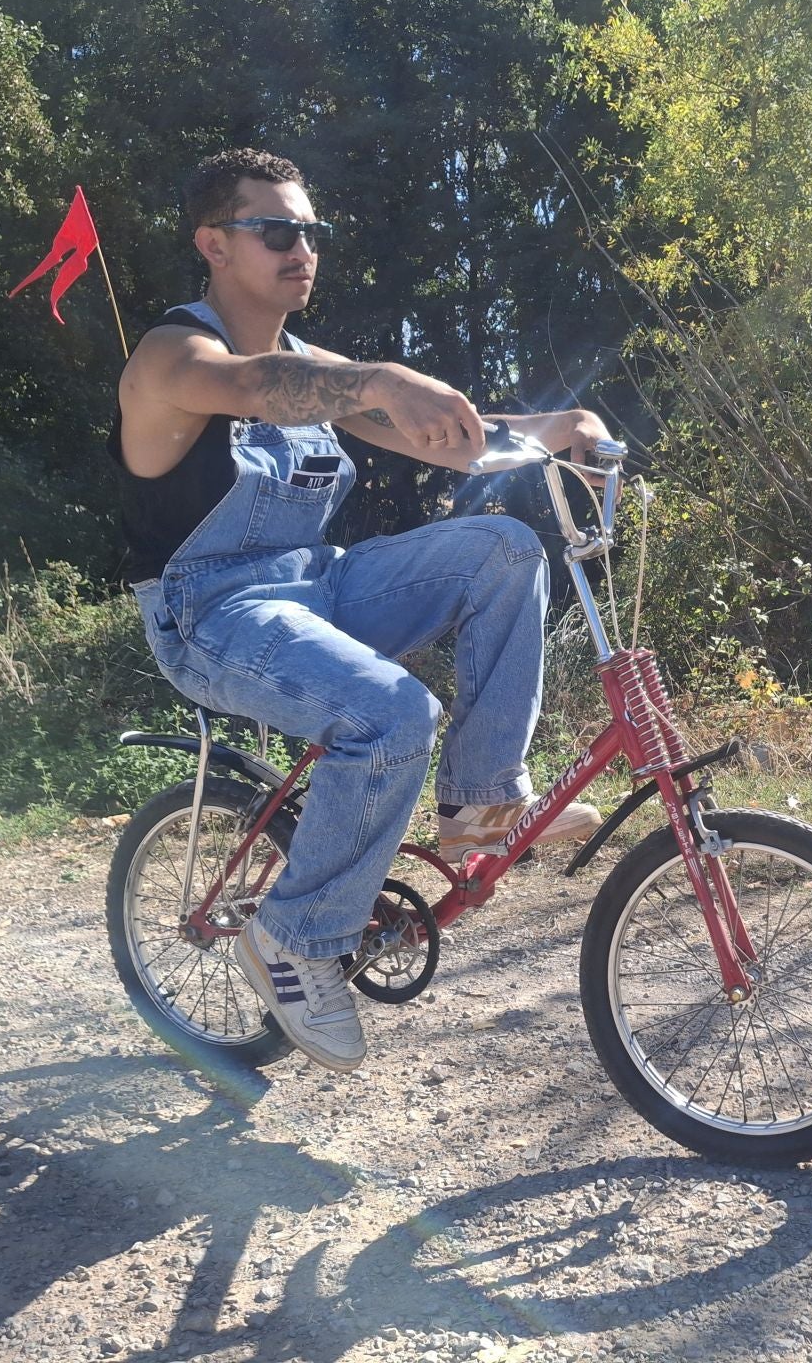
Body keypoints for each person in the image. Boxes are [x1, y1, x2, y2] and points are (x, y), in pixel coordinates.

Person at [114, 148, 607, 1072]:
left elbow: (454, 444)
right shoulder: (172, 355)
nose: (303, 249)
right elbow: (247, 388)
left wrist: (556, 430)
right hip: (212, 611)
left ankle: (477, 799)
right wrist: (379, 378)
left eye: (312, 232)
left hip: (320, 582)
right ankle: (295, 935)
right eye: (277, 231)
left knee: (501, 546)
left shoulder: (317, 366)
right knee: (390, 716)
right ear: (213, 244)